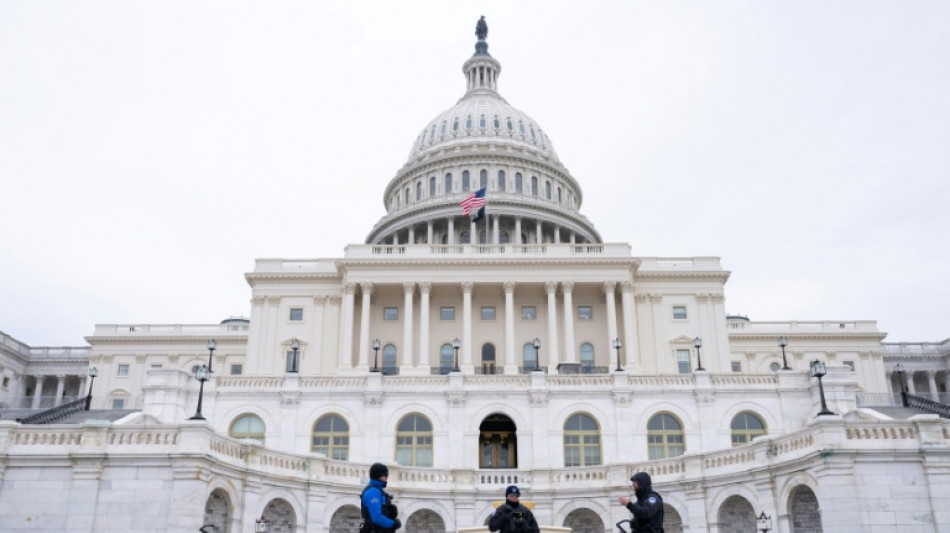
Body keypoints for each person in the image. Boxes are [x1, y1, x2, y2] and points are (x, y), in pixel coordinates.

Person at [360, 463, 401, 533]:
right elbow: (376, 517)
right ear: (379, 475)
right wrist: (393, 524)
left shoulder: (378, 491)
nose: (387, 477)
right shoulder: (373, 492)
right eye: (386, 475)